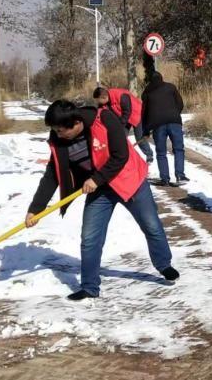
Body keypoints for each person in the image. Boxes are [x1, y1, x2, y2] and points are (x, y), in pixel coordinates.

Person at [25, 100, 178, 301]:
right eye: (55, 130)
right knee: (90, 238)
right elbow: (53, 174)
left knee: (151, 225)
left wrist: (96, 179)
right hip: (99, 189)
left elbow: (120, 155)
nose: (57, 134)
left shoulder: (104, 119)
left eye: (61, 130)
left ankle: (163, 264)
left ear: (77, 123)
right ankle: (89, 287)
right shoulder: (59, 139)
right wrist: (35, 209)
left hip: (129, 180)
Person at [140, 72, 188, 186]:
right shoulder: (171, 87)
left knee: (161, 152)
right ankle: (180, 175)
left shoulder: (147, 92)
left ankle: (165, 178)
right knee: (178, 149)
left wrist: (145, 130)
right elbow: (180, 104)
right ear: (162, 78)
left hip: (158, 125)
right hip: (174, 122)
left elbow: (144, 113)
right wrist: (174, 114)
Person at [93, 86, 154, 163]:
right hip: (124, 118)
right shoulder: (106, 101)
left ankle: (149, 155)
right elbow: (100, 111)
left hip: (137, 114)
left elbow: (127, 112)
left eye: (98, 101)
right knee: (121, 138)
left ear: (103, 97)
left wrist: (120, 126)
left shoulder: (121, 95)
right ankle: (124, 157)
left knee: (139, 137)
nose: (98, 103)